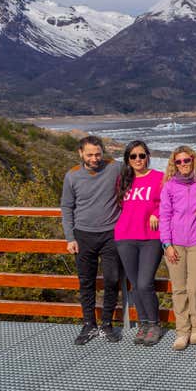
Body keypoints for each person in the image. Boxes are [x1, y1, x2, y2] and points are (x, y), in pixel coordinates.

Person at [61, 135, 123, 345]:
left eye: (98, 154)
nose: (95, 158)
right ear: (81, 153)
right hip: (83, 235)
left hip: (111, 234)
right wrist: (70, 237)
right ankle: (89, 324)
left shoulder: (115, 167)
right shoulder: (72, 176)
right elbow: (67, 207)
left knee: (112, 279)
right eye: (90, 154)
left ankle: (106, 324)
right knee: (86, 282)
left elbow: (140, 174)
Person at [160, 145, 196, 351]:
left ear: (194, 160)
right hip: (175, 244)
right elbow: (164, 216)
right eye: (179, 161)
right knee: (179, 289)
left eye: (187, 160)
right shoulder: (169, 186)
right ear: (174, 164)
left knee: (195, 288)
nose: (183, 164)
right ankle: (182, 331)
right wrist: (167, 244)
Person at [114, 140, 164, 346]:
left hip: (150, 237)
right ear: (127, 159)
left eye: (141, 155)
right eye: (133, 156)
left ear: (147, 157)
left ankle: (154, 324)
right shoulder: (123, 180)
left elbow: (168, 203)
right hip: (125, 236)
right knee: (135, 285)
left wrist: (157, 213)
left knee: (145, 283)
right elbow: (118, 205)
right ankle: (143, 324)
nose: (138, 160)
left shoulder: (159, 178)